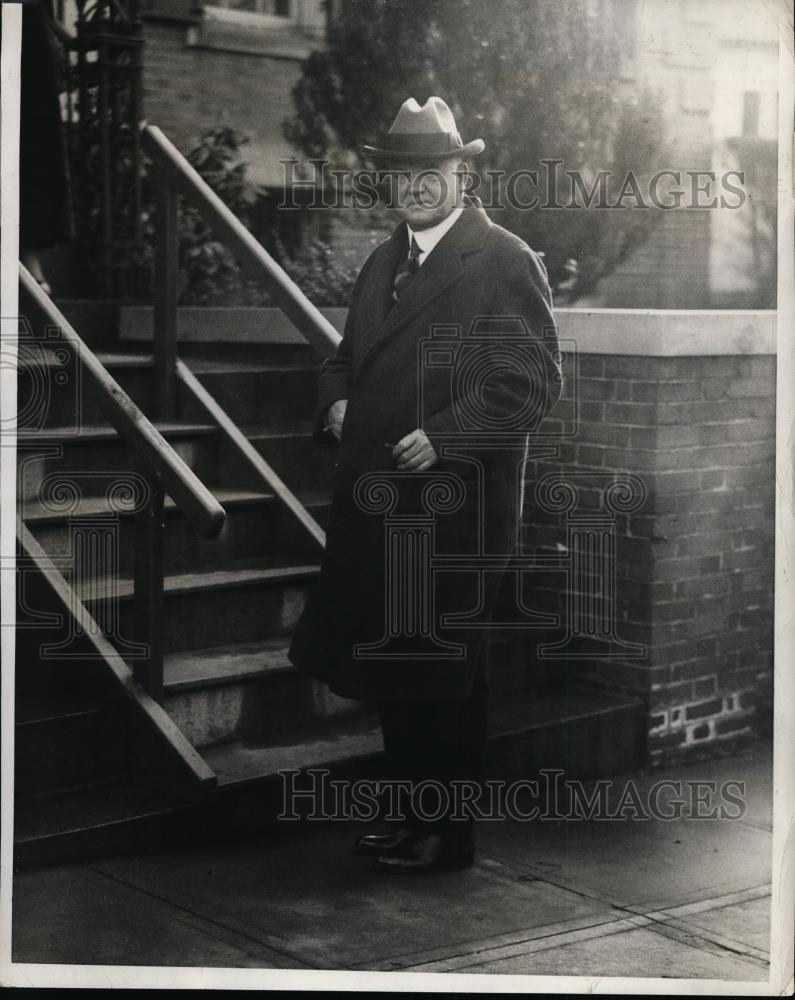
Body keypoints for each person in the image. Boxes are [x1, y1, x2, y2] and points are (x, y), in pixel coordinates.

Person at [288, 96, 562, 874]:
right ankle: (410, 818)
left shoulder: (504, 259)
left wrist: (445, 436)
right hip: (380, 507)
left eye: (429, 172)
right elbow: (344, 356)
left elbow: (530, 384)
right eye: (400, 174)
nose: (412, 186)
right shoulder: (383, 260)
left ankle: (447, 834)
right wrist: (333, 400)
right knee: (394, 671)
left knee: (443, 678)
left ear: (461, 175)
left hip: (454, 514)